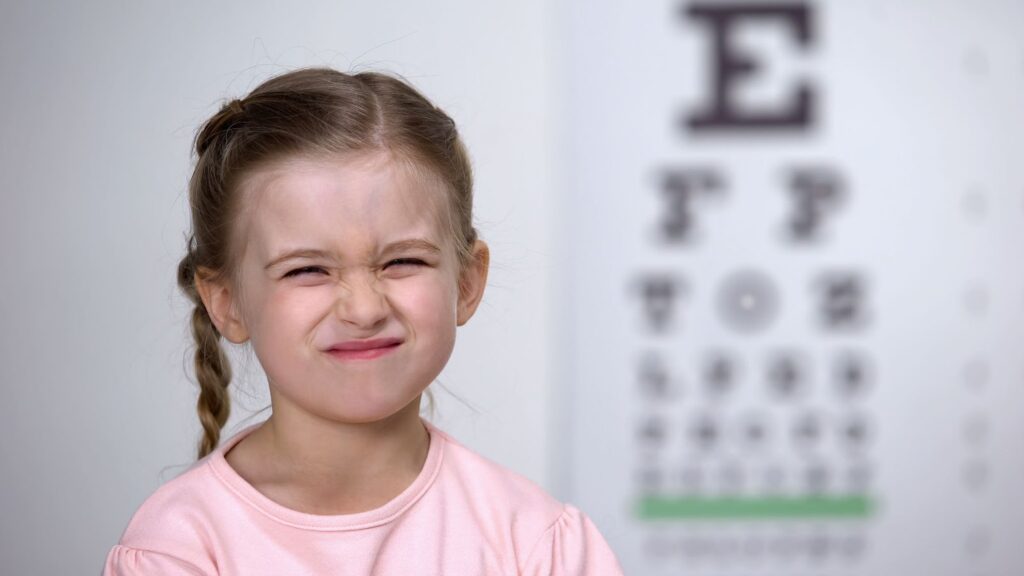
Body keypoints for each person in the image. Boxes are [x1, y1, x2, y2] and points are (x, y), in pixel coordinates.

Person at [102, 67, 624, 575]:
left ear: (466, 282)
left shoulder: (536, 545)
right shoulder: (178, 551)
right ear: (227, 302)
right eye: (307, 269)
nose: (364, 308)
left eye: (403, 262)